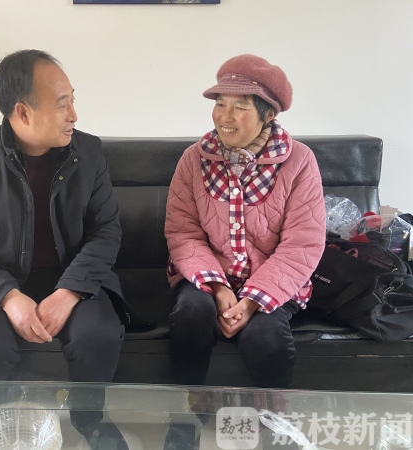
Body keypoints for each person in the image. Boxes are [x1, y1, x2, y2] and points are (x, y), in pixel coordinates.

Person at [0, 49, 128, 450]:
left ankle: (90, 419)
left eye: (72, 100)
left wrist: (69, 291)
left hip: (74, 276)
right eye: (62, 104)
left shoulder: (88, 153)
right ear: (23, 112)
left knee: (98, 333)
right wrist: (9, 297)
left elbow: (106, 231)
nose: (74, 114)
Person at [164, 54, 326, 445]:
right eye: (220, 103)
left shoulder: (299, 161)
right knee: (191, 315)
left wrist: (251, 301)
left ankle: (274, 428)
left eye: (240, 106)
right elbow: (183, 232)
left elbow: (302, 243)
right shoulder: (194, 159)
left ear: (269, 114)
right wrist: (219, 288)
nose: (225, 116)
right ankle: (186, 415)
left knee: (265, 338)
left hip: (273, 281)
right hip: (207, 275)